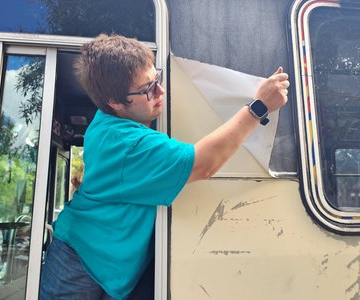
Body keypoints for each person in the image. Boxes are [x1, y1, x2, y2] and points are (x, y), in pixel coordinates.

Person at [39, 33, 289, 300]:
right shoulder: (126, 144)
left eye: (156, 79)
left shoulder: (110, 117)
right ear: (114, 103)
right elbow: (204, 164)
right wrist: (259, 106)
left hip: (98, 258)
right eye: (148, 89)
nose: (160, 92)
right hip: (78, 263)